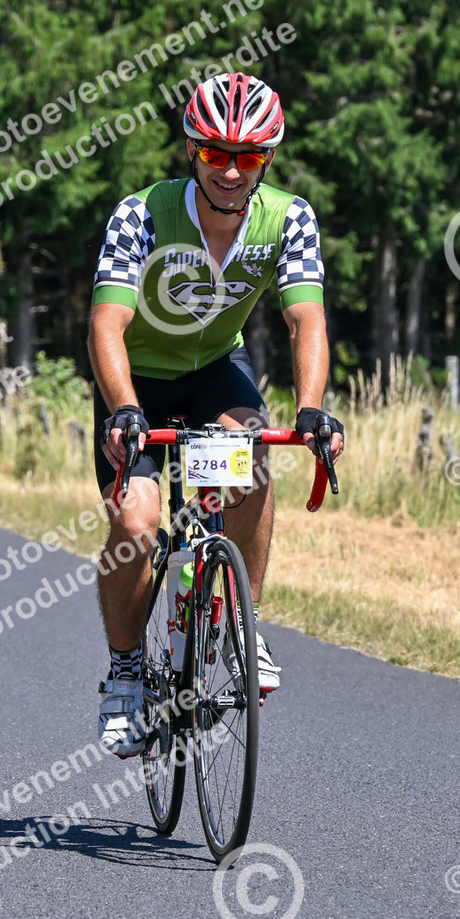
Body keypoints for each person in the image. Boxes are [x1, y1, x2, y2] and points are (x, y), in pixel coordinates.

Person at [87, 72, 346, 757]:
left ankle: (240, 625)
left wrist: (311, 407)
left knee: (249, 462)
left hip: (214, 373)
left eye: (248, 156)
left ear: (268, 159)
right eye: (215, 154)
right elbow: (107, 324)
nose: (231, 171)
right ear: (191, 152)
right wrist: (124, 410)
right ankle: (125, 672)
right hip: (136, 382)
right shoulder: (141, 214)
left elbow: (306, 319)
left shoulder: (288, 218)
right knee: (136, 522)